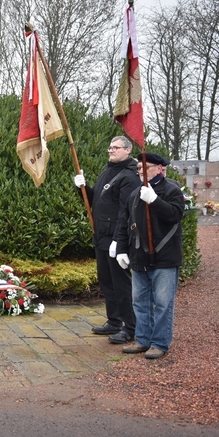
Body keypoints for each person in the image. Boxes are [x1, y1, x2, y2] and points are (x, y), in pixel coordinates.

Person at [115, 152, 184, 359]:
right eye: (138, 169)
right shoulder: (135, 194)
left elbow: (175, 215)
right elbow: (124, 224)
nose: (140, 172)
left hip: (164, 258)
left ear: (160, 169)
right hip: (139, 257)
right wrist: (121, 249)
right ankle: (143, 340)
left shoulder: (171, 191)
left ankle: (160, 343)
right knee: (140, 301)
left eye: (145, 168)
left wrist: (154, 200)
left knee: (163, 303)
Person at [74, 136, 140, 344]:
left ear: (128, 150)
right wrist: (82, 188)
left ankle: (130, 327)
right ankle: (114, 321)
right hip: (101, 236)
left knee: (121, 283)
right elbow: (96, 201)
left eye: (116, 147)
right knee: (106, 281)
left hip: (115, 239)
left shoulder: (129, 176)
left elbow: (126, 211)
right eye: (110, 147)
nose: (111, 151)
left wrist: (118, 241)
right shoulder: (108, 172)